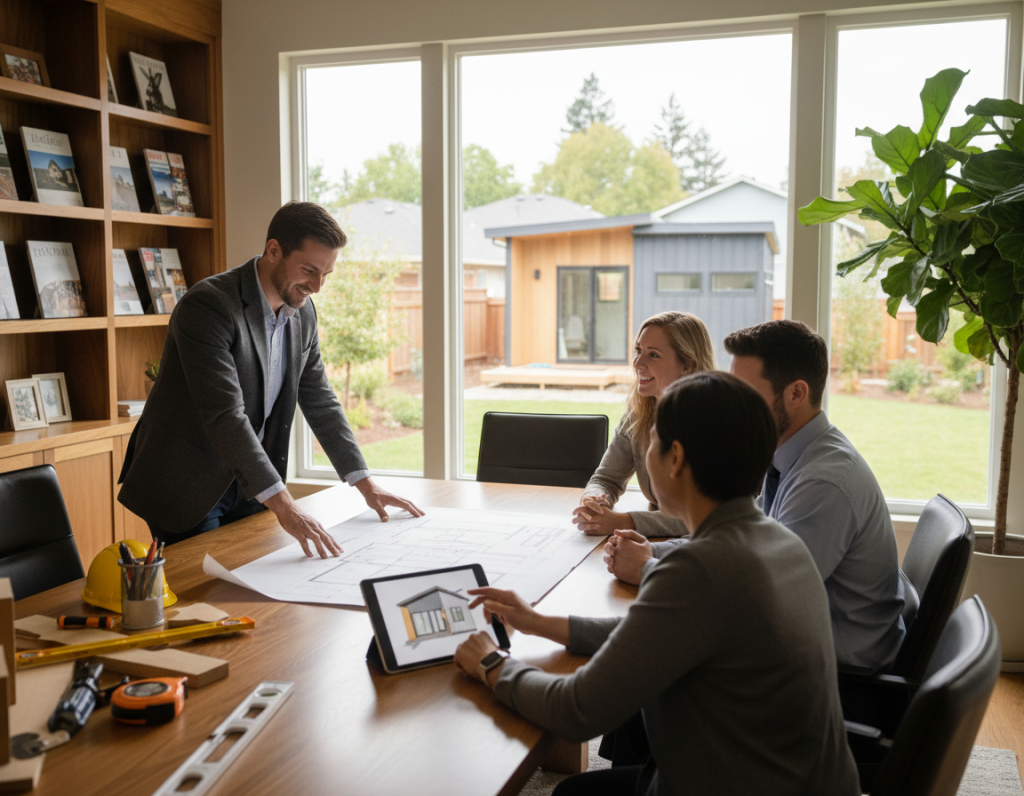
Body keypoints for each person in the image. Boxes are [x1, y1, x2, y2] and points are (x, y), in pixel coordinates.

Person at [454, 372, 859, 796]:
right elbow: (657, 634)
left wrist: (491, 664)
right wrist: (541, 622)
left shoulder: (697, 569)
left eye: (652, 442)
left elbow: (577, 710)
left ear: (675, 458)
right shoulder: (779, 540)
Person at [118, 201, 422, 558]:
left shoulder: (303, 312)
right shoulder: (209, 306)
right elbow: (225, 416)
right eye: (309, 270)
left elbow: (320, 401)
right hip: (188, 483)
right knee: (204, 600)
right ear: (273, 250)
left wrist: (364, 483)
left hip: (249, 482)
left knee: (252, 594)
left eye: (326, 274)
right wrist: (287, 506)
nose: (317, 286)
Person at [606, 319, 905, 673]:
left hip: (841, 673)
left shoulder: (823, 483)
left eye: (745, 392)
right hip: (803, 641)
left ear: (796, 394)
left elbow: (760, 596)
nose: (733, 405)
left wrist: (650, 569)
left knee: (653, 669)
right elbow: (743, 547)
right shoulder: (788, 456)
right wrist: (654, 550)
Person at [572, 311, 715, 538]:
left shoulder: (718, 419)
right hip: (663, 540)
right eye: (638, 351)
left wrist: (624, 521)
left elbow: (708, 513)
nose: (638, 363)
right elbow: (606, 479)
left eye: (654, 355)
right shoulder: (638, 415)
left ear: (686, 365)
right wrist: (594, 501)